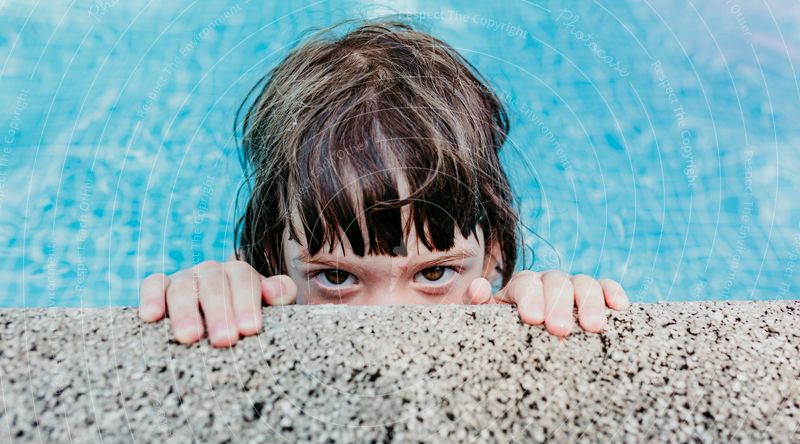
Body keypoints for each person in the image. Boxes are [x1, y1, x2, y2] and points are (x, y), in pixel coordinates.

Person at [139, 20, 629, 348]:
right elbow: (225, 292)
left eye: (434, 274)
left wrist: (551, 303)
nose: (390, 327)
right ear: (269, 259)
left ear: (496, 255)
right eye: (336, 277)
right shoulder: (260, 277)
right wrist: (215, 294)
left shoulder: (506, 290)